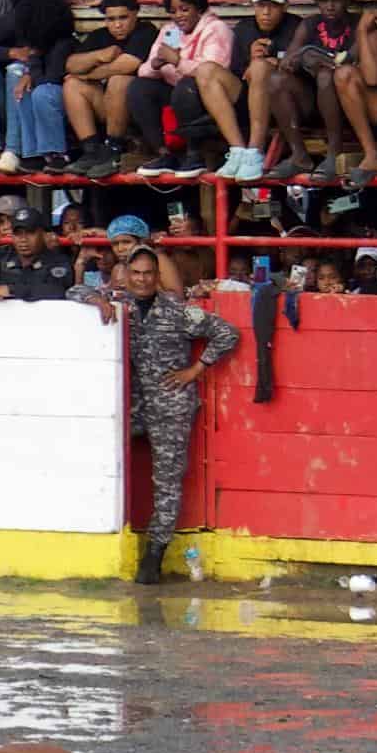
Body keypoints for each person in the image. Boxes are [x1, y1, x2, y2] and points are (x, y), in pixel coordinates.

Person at [116, 246, 238, 587]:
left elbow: (228, 333)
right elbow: (73, 291)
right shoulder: (117, 304)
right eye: (135, 273)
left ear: (157, 277)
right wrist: (96, 301)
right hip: (130, 403)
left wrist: (194, 370)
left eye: (147, 274)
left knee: (166, 481)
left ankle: (154, 555)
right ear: (127, 275)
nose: (141, 280)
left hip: (170, 404)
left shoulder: (176, 311)